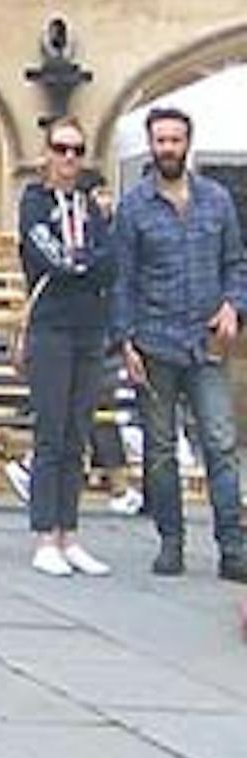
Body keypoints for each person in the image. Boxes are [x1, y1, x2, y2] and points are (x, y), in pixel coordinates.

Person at [110, 100, 247, 581]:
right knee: (161, 448)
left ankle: (233, 546)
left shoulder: (217, 200)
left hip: (206, 342)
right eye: (161, 140)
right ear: (151, 145)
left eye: (175, 139)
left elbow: (236, 262)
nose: (168, 147)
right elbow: (122, 279)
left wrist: (234, 304)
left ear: (188, 143)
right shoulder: (133, 208)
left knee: (220, 442)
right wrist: (124, 342)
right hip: (154, 340)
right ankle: (171, 541)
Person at [17, 121, 120, 577]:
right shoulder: (34, 203)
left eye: (77, 150)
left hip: (88, 327)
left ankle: (69, 533)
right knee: (51, 433)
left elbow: (109, 259)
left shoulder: (92, 208)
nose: (69, 159)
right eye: (61, 149)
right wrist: (82, 264)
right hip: (51, 326)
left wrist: (83, 263)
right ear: (47, 153)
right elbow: (49, 258)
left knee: (78, 433)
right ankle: (44, 534)